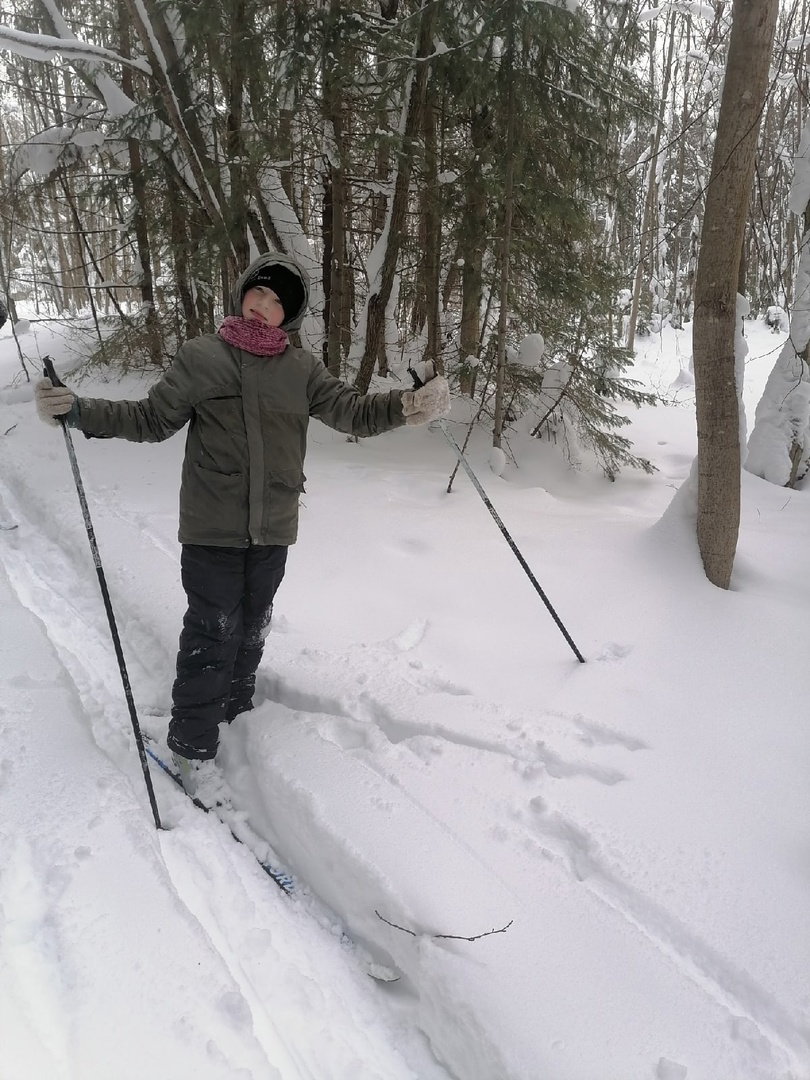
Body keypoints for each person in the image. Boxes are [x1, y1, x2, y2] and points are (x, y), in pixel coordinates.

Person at [34, 252, 449, 803]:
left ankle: (233, 711)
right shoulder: (201, 357)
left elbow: (352, 412)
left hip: (273, 527)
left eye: (279, 302)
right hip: (212, 527)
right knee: (214, 630)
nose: (265, 305)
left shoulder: (301, 370)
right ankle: (192, 745)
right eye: (259, 292)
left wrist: (408, 406)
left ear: (290, 317)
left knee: (253, 624)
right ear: (241, 293)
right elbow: (150, 420)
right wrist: (77, 409)